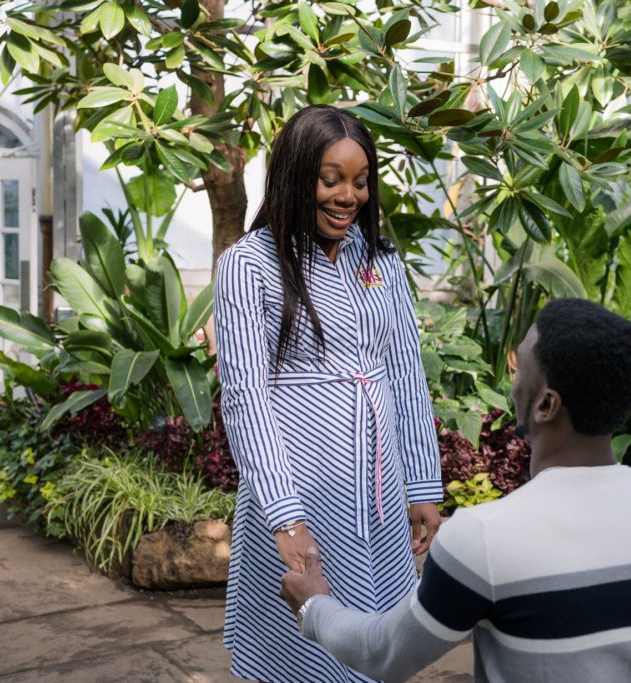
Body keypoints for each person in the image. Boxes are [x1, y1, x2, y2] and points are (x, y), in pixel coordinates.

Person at [281, 298, 631, 682]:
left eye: (520, 366)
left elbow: (384, 653)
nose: (511, 379)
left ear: (546, 404)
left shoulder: (484, 537)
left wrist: (313, 606)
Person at [214, 104, 443, 682]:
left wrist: (422, 486)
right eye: (331, 179)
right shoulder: (249, 264)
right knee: (300, 645)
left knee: (380, 640)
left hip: (379, 485)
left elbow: (405, 374)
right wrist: (284, 516)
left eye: (361, 182)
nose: (349, 196)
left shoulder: (380, 261)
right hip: (300, 486)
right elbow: (245, 396)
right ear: (296, 177)